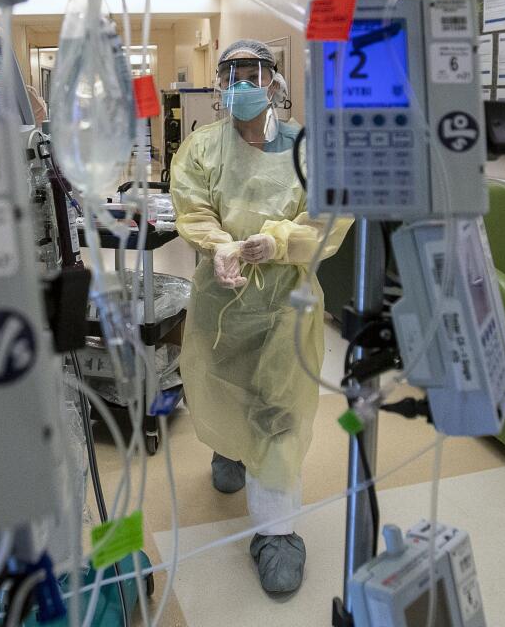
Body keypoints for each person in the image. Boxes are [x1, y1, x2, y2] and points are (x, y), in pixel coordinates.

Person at [170, 39, 351, 596]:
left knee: (277, 407)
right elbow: (192, 207)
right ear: (219, 84)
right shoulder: (202, 148)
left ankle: (276, 534)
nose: (244, 83)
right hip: (219, 296)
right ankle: (229, 446)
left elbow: (328, 217)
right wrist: (221, 246)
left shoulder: (308, 148)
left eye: (255, 72)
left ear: (276, 80)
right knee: (221, 383)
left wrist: (277, 244)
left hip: (287, 298)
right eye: (233, 74)